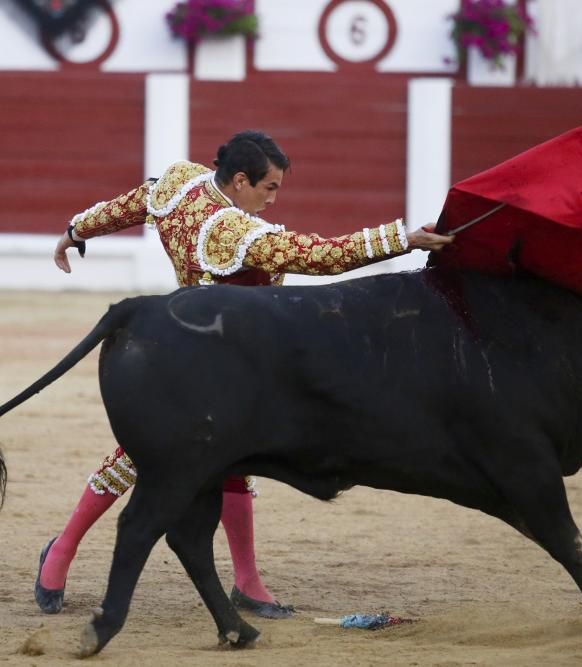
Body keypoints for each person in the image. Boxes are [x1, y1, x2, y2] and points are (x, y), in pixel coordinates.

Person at [37, 130, 453, 617]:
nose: (274, 199)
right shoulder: (235, 232)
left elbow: (128, 205)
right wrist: (402, 238)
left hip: (205, 346)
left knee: (235, 456)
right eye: (269, 188)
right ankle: (62, 548)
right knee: (140, 456)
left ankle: (247, 581)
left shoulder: (180, 180)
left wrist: (75, 231)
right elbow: (318, 255)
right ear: (239, 181)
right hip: (215, 353)